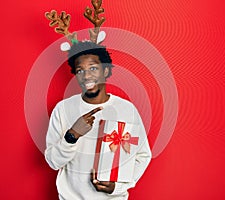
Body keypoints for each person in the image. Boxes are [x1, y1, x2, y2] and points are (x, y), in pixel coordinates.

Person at [45, 41, 152, 200]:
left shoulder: (126, 110)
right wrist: (72, 135)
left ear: (106, 70)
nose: (86, 75)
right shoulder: (63, 109)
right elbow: (53, 162)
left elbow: (143, 155)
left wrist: (118, 187)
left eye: (93, 68)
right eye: (80, 70)